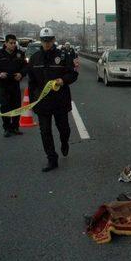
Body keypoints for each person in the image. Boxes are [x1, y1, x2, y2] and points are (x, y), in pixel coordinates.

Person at [27, 28, 78, 172]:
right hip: (42, 102)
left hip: (60, 100)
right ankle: (51, 159)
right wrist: (32, 101)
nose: (47, 43)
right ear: (40, 41)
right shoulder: (35, 58)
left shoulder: (63, 56)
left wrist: (63, 80)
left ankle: (64, 142)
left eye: (49, 40)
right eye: (44, 40)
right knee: (45, 131)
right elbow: (31, 82)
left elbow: (73, 74)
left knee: (64, 129)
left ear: (54, 40)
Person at [0, 34, 27, 138]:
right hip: (3, 84)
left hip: (15, 84)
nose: (13, 45)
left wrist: (21, 74)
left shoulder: (20, 54)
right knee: (5, 107)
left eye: (14, 43)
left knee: (16, 106)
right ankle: (6, 128)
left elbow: (25, 67)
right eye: (11, 43)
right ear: (5, 43)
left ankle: (15, 127)